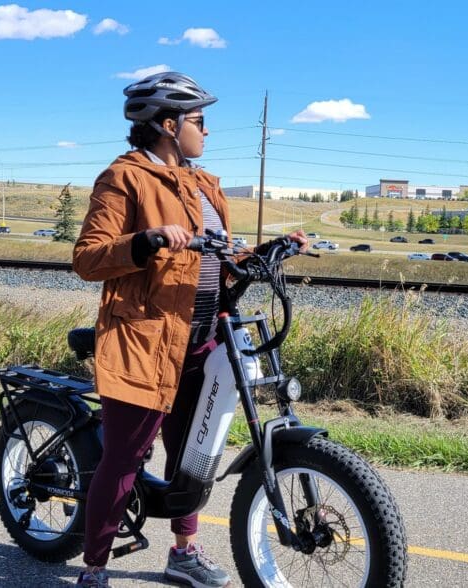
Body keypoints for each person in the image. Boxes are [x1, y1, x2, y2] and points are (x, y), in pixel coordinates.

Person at [72, 71, 307, 588]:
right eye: (200, 121)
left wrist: (269, 252)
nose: (207, 131)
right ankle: (94, 568)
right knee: (126, 456)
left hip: (203, 337)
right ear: (167, 124)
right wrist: (147, 239)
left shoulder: (202, 185)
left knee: (192, 453)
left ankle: (183, 553)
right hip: (146, 340)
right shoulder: (125, 178)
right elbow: (88, 257)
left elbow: (223, 257)